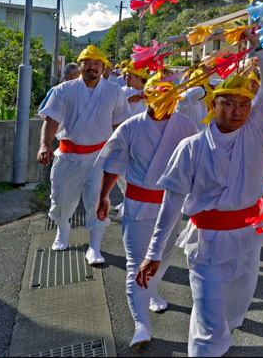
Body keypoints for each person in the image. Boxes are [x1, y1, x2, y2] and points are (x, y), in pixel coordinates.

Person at [136, 34, 263, 357]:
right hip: (208, 245)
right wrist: (155, 252)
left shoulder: (255, 129)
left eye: (244, 104)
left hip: (249, 240)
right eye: (229, 103)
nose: (237, 111)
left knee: (232, 314)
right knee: (211, 327)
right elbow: (171, 204)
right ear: (214, 105)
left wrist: (259, 44)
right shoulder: (192, 148)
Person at [96, 72, 198, 348]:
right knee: (136, 262)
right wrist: (104, 196)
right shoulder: (130, 127)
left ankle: (150, 290)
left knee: (163, 256)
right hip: (138, 204)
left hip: (172, 205)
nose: (162, 100)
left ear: (176, 97)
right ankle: (141, 323)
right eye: (156, 94)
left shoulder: (188, 126)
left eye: (168, 94)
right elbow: (114, 165)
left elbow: (198, 166)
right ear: (147, 96)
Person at [37, 45, 132, 264]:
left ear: (103, 67)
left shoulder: (114, 91)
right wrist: (44, 145)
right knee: (61, 200)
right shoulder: (63, 90)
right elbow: (51, 120)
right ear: (79, 66)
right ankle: (62, 232)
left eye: (97, 64)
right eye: (87, 63)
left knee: (98, 202)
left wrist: (124, 151)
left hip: (99, 157)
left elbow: (121, 124)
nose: (92, 67)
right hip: (68, 155)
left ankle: (95, 247)